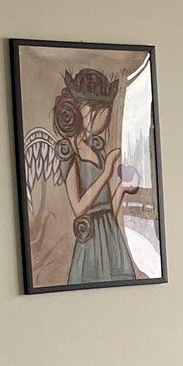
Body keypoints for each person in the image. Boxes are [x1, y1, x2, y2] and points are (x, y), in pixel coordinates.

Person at [54, 69, 135, 285]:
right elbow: (79, 208)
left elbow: (108, 210)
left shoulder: (97, 147)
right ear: (81, 110)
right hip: (90, 242)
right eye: (99, 114)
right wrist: (107, 172)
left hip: (111, 237)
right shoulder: (68, 150)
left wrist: (121, 189)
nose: (103, 122)